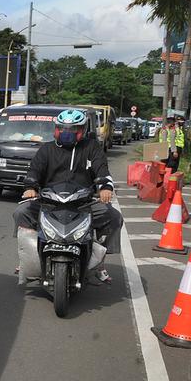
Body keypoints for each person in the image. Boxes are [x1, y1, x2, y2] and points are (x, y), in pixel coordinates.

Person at [14, 109, 122, 282]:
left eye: (73, 129)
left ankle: (100, 261)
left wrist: (105, 187)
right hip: (48, 202)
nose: (67, 132)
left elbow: (101, 168)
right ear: (56, 129)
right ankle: (28, 258)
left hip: (83, 204)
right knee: (22, 212)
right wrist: (30, 187)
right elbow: (34, 170)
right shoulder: (46, 149)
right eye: (63, 128)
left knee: (113, 216)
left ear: (83, 130)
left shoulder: (91, 147)